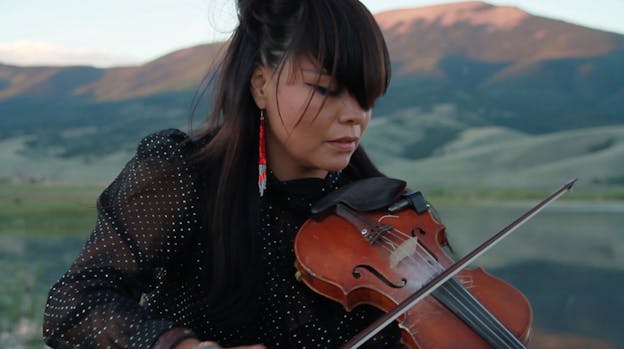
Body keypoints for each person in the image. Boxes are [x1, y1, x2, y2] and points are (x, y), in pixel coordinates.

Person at [43, 0, 402, 348]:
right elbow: (75, 303)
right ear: (261, 84)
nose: (355, 115)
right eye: (325, 89)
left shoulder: (387, 214)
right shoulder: (186, 176)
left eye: (366, 96)